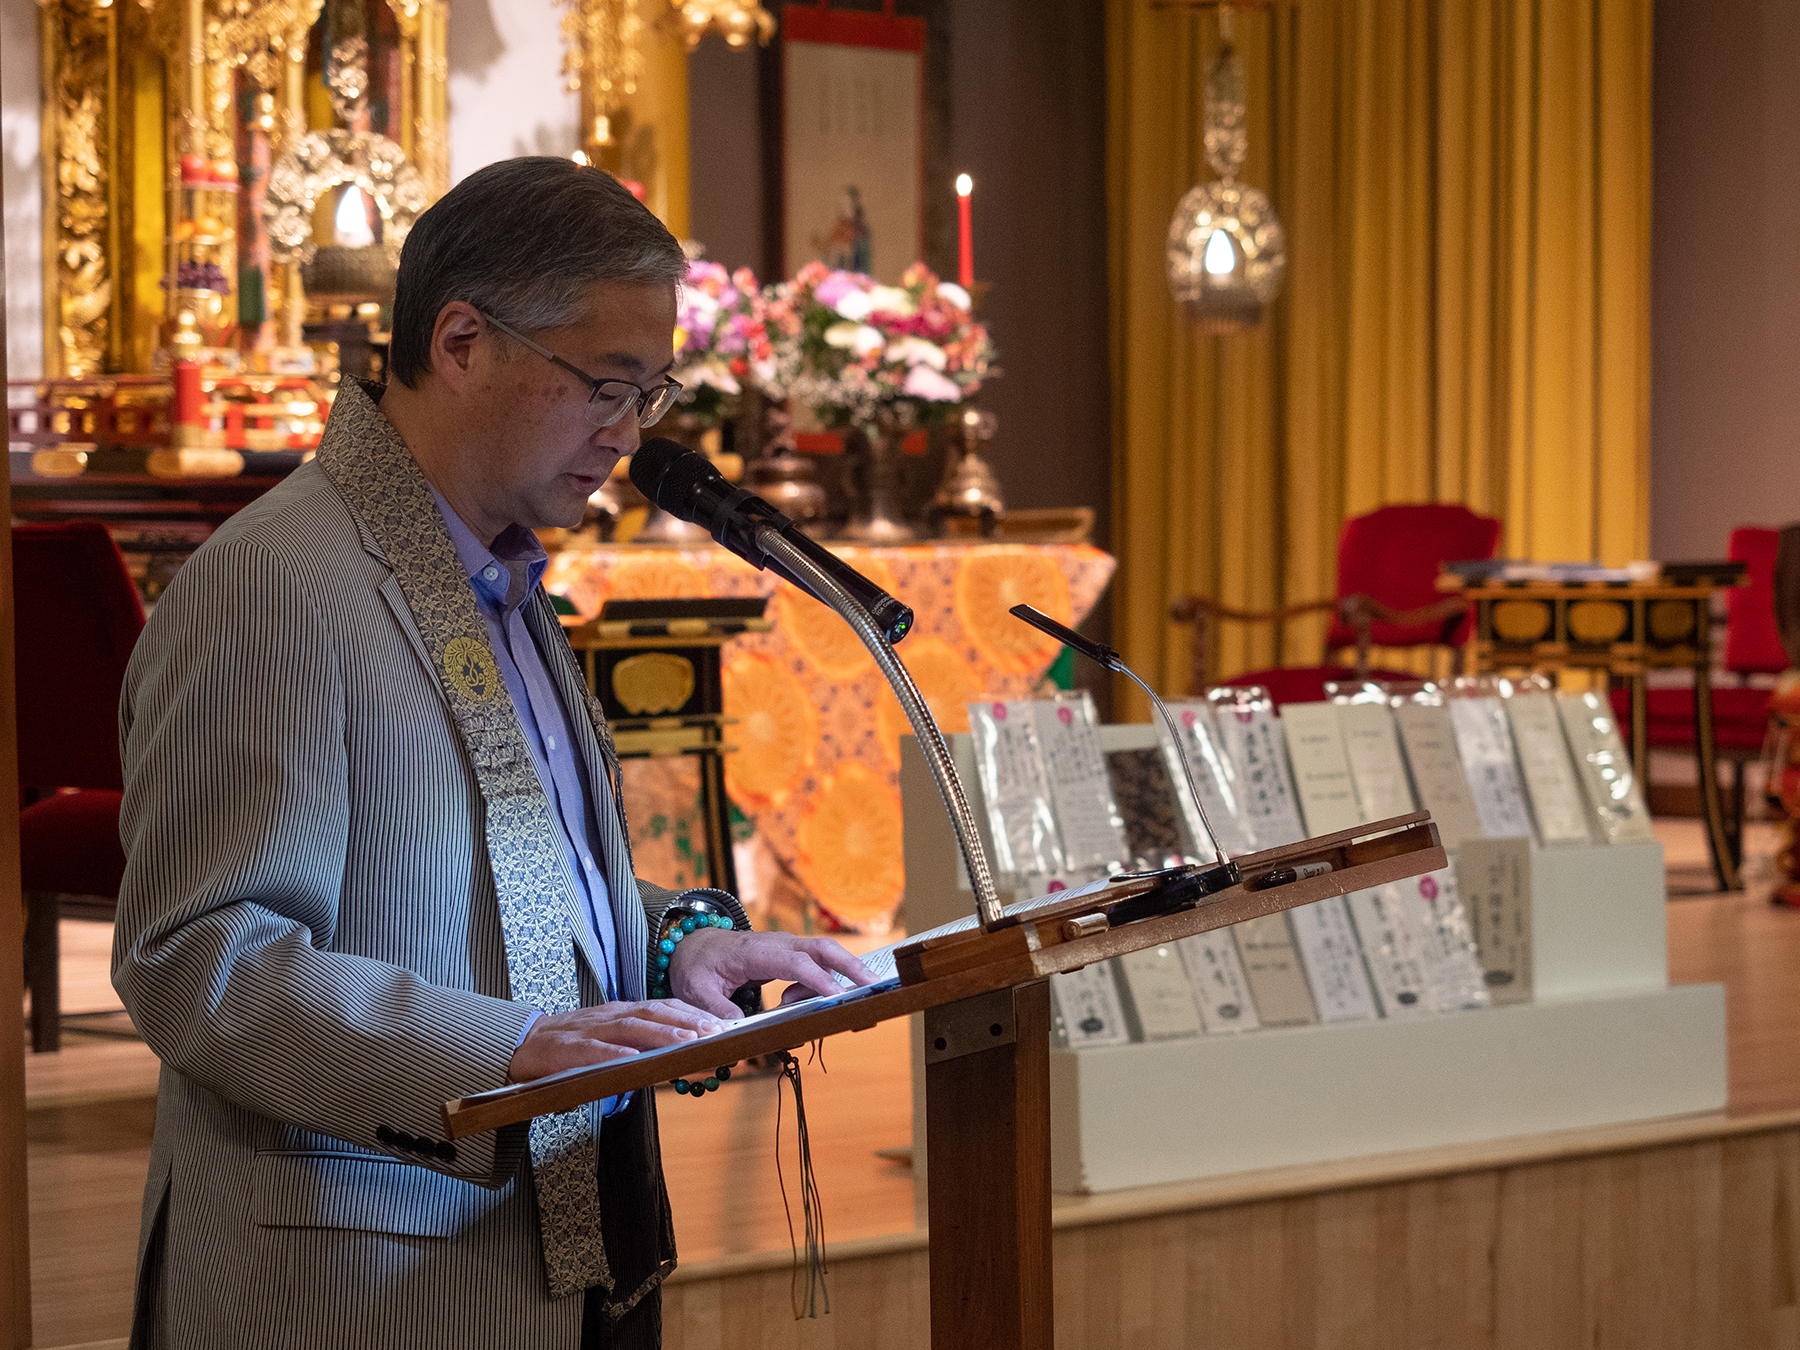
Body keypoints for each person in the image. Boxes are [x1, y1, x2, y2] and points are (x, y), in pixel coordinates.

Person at [112, 156, 874, 1350]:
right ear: (461, 340)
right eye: (604, 386)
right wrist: (508, 1048)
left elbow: (521, 878)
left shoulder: (501, 578)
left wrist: (682, 942)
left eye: (650, 394)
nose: (627, 436)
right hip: (359, 1278)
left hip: (560, 1256)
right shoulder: (278, 587)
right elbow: (200, 961)